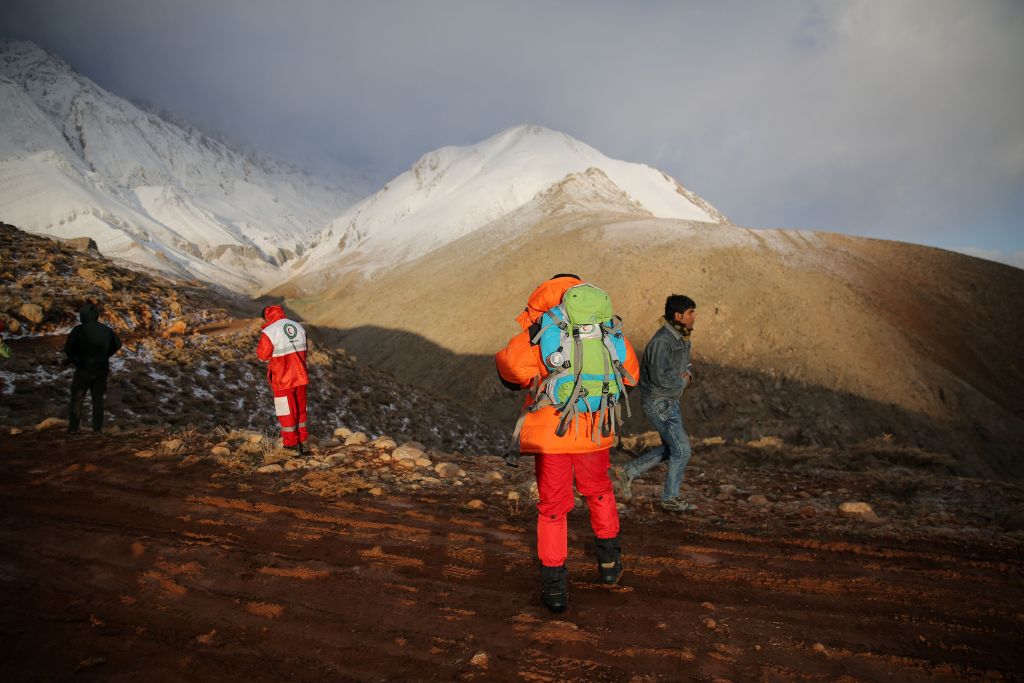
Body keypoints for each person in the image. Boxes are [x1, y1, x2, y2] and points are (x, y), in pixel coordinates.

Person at [496, 274, 640, 613]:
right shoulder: (605, 327)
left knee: (553, 509)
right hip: (594, 430)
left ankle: (556, 587)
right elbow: (630, 376)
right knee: (599, 491)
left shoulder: (543, 329)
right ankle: (609, 565)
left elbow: (510, 372)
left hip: (553, 436)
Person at [611, 295, 698, 513]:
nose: (694, 317)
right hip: (659, 402)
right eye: (691, 312)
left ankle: (629, 471)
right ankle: (670, 498)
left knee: (673, 448)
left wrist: (687, 377)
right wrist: (683, 381)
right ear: (678, 315)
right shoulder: (662, 340)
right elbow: (660, 376)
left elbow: (684, 367)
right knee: (682, 449)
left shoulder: (681, 337)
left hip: (669, 400)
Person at [256, 305, 310, 454]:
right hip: (301, 377)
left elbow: (262, 355)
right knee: (300, 412)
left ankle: (291, 446)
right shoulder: (298, 326)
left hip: (282, 380)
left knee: (287, 414)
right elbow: (305, 350)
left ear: (267, 317)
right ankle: (304, 444)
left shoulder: (269, 332)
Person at [64, 302, 122, 433]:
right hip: (101, 369)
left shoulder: (79, 330)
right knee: (97, 399)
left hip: (83, 369)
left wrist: (74, 358)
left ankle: (73, 428)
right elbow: (117, 344)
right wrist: (106, 354)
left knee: (77, 399)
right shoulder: (106, 330)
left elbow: (68, 348)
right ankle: (97, 429)